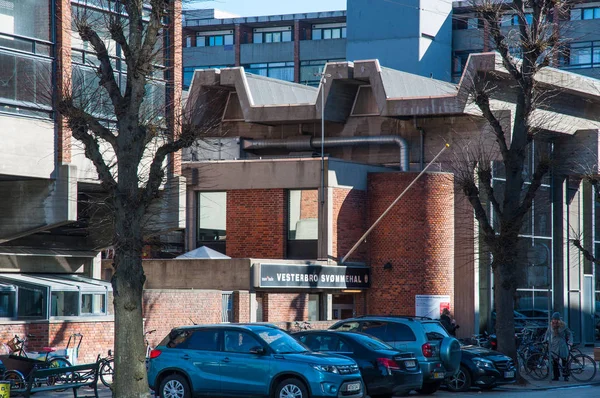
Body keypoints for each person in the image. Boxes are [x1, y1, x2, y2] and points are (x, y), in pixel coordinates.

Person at [544, 312, 573, 381]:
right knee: (554, 361)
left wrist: (570, 341)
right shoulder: (550, 326)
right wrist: (545, 340)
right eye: (553, 319)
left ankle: (566, 376)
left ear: (558, 319)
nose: (554, 321)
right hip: (553, 345)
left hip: (562, 344)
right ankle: (556, 376)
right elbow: (547, 333)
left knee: (564, 360)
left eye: (556, 319)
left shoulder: (563, 326)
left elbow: (569, 333)